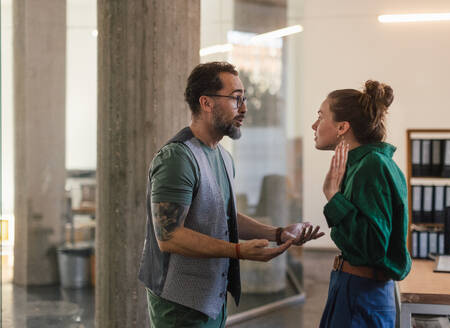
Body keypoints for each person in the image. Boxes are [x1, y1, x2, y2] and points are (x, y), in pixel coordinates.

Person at [138, 61, 324, 328]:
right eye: (236, 99)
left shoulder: (222, 156)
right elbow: (169, 236)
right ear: (206, 103)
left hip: (211, 300)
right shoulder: (177, 158)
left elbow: (222, 216)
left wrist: (279, 233)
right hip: (179, 306)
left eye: (244, 99)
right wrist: (238, 251)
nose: (244, 108)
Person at [313, 80, 412, 328]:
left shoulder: (372, 165)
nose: (314, 125)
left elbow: (372, 247)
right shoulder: (365, 164)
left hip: (361, 294)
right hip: (354, 289)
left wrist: (333, 197)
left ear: (342, 127)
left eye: (321, 117)